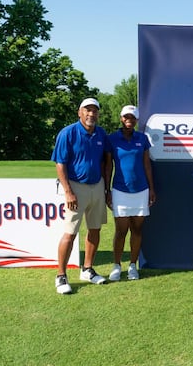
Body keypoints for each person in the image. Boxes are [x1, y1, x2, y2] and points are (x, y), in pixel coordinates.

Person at [51, 98, 111, 294]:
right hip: (76, 187)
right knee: (70, 233)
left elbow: (105, 161)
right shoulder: (68, 133)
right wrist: (68, 191)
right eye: (87, 110)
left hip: (97, 185)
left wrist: (105, 187)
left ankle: (87, 269)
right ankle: (61, 276)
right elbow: (60, 164)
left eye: (94, 111)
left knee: (94, 230)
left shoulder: (101, 133)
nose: (91, 114)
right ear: (79, 112)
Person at [107, 105, 156, 281]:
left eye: (132, 117)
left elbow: (146, 165)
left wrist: (151, 188)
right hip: (120, 189)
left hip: (141, 190)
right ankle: (116, 265)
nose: (129, 120)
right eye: (126, 117)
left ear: (136, 120)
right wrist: (107, 190)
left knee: (137, 229)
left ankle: (133, 266)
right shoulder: (112, 139)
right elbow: (108, 165)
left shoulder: (142, 139)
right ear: (121, 118)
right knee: (121, 230)